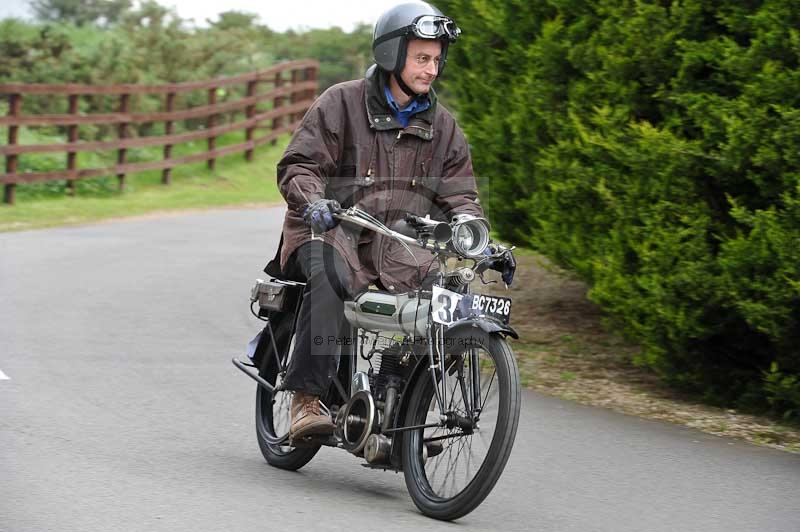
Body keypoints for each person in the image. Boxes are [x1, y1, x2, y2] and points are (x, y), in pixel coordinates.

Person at [266, 1, 485, 440]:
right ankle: (305, 401)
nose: (431, 70)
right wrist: (314, 202)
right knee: (332, 276)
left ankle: (400, 408)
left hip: (395, 248)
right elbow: (300, 165)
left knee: (448, 299)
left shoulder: (444, 128)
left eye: (437, 60)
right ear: (392, 53)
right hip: (328, 232)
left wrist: (470, 231)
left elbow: (460, 194)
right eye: (422, 58)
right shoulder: (341, 103)